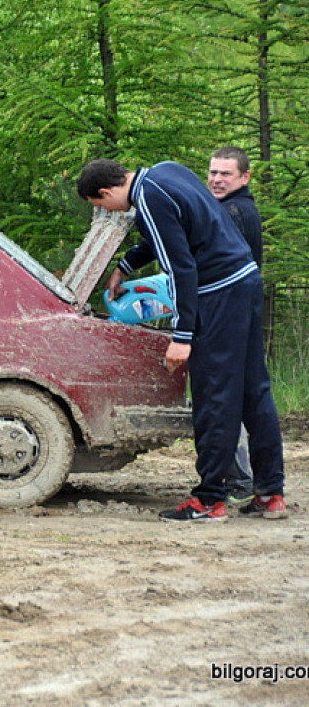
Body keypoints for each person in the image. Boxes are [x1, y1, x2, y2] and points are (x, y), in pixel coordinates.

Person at [77, 159, 286, 521]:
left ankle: (209, 499)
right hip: (245, 280)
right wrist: (126, 265)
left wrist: (182, 335)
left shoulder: (149, 200)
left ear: (107, 193)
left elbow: (180, 267)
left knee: (214, 395)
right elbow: (178, 229)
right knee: (254, 391)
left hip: (218, 293)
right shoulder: (165, 171)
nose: (105, 211)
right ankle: (271, 493)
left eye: (100, 206)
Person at [207, 146, 262, 506]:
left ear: (245, 177)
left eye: (225, 174)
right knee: (238, 396)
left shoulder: (234, 212)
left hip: (233, 316)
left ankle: (240, 478)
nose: (216, 179)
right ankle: (246, 478)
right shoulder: (226, 209)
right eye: (212, 172)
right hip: (239, 314)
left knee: (227, 398)